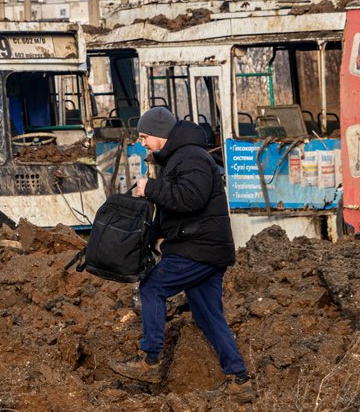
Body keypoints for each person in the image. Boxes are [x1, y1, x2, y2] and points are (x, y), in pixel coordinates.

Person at [108, 106, 252, 397]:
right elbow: (175, 207)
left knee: (151, 288)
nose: (142, 142)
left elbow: (190, 198)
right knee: (208, 315)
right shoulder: (178, 158)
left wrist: (150, 188)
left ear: (161, 135)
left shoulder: (192, 157)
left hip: (200, 248)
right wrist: (159, 237)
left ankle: (149, 360)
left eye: (145, 136)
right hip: (202, 248)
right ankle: (240, 380)